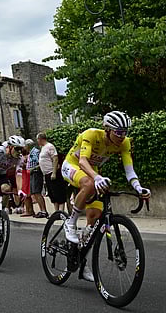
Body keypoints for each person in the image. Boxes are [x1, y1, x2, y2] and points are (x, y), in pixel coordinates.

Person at [61, 111, 151, 282]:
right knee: (88, 183)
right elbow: (82, 161)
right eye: (118, 132)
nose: (122, 136)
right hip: (72, 165)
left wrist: (138, 187)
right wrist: (96, 178)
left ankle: (81, 259)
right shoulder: (91, 135)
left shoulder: (124, 143)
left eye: (125, 132)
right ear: (107, 129)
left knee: (94, 218)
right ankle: (70, 222)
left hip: (93, 172)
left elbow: (129, 170)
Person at [37, 132, 68, 211]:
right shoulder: (43, 147)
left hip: (52, 172)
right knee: (52, 194)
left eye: (38, 139)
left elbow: (55, 158)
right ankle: (56, 211)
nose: (37, 141)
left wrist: (54, 172)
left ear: (40, 139)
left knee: (58, 192)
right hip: (46, 173)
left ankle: (61, 211)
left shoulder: (49, 146)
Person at [27, 139, 48, 218]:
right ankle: (42, 210)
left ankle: (44, 211)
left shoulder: (35, 152)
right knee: (35, 193)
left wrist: (33, 168)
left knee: (37, 192)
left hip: (36, 173)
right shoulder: (32, 152)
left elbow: (40, 163)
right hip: (33, 173)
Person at [18, 139, 35, 216]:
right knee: (25, 191)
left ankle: (29, 210)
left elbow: (28, 165)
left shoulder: (30, 155)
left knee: (26, 192)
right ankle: (29, 209)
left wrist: (23, 165)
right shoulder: (24, 155)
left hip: (27, 173)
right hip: (24, 174)